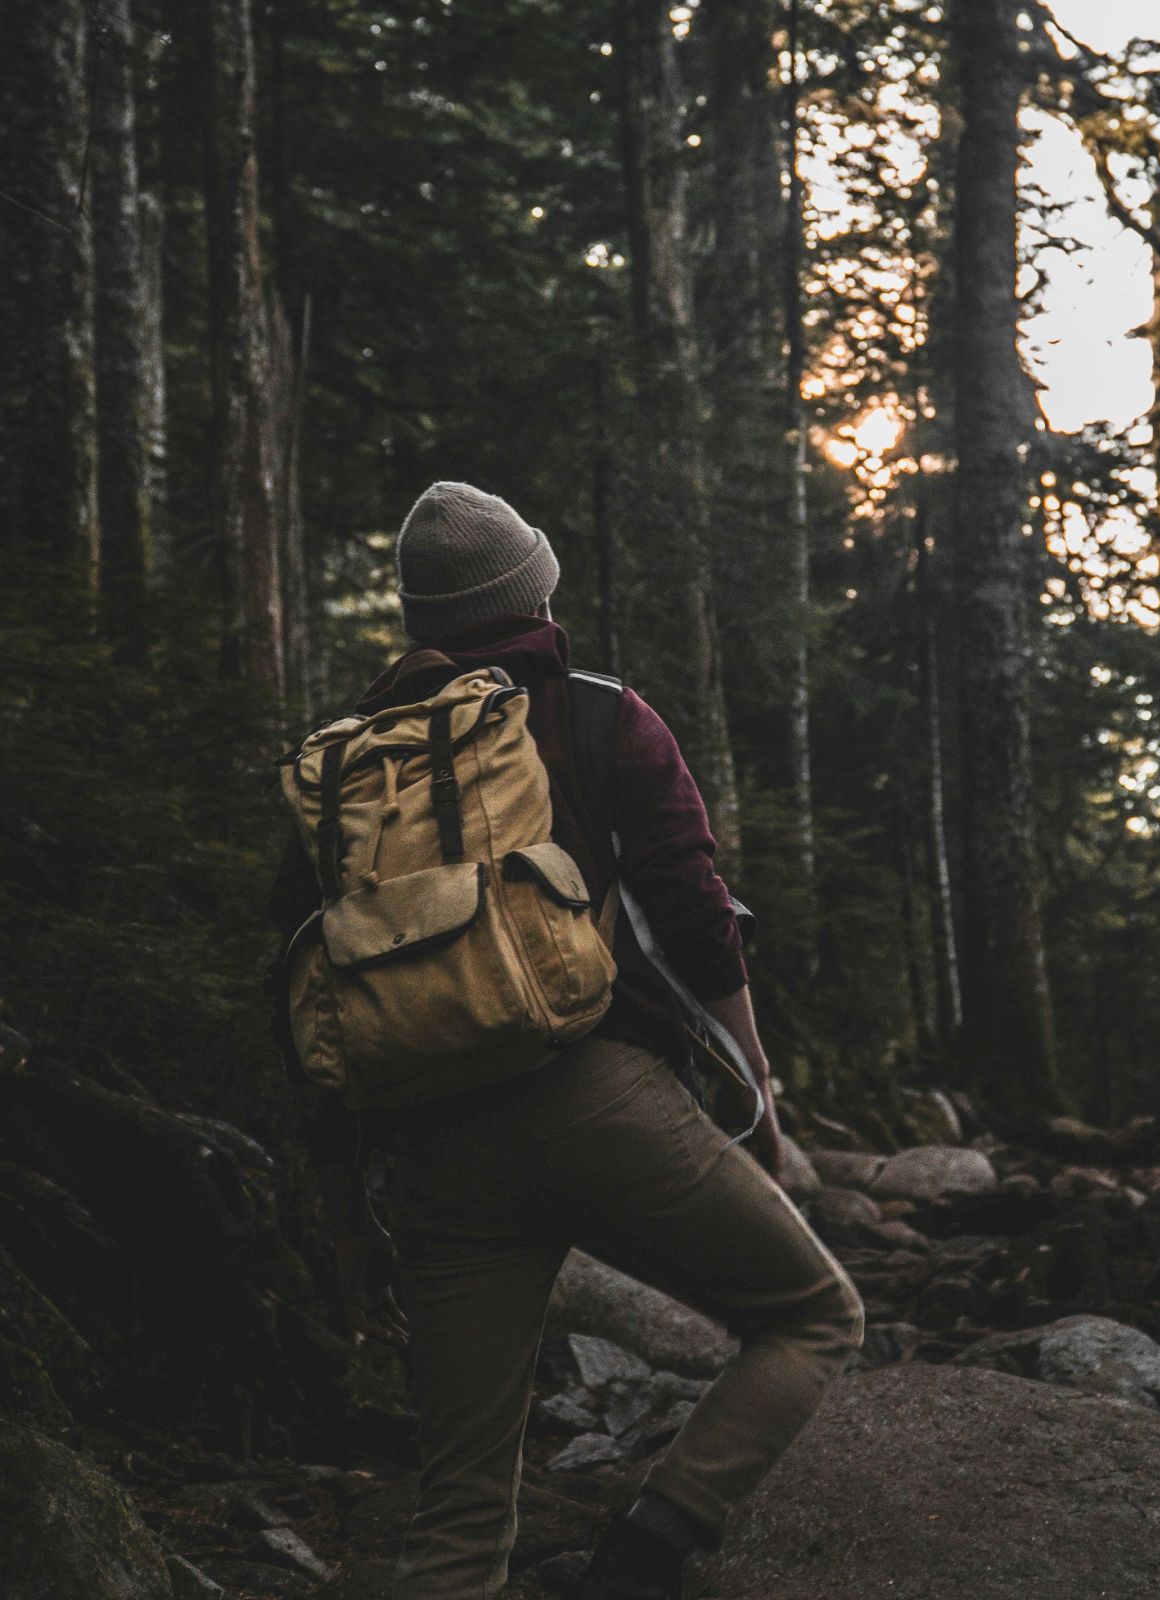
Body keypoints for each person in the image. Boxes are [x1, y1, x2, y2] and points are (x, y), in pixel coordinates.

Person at [268, 481, 865, 1600]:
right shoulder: (599, 713)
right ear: (535, 588)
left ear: (419, 617)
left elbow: (308, 986)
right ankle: (640, 1560)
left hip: (432, 1145)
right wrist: (763, 1106)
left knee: (456, 1510)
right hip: (600, 1100)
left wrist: (347, 1209)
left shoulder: (350, 764)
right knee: (815, 1315)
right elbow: (697, 917)